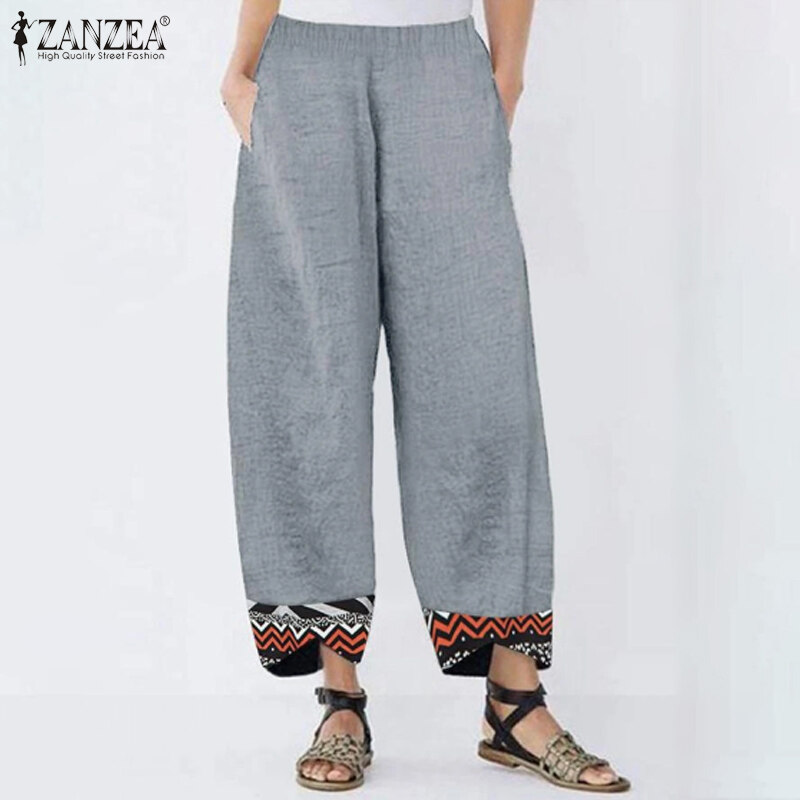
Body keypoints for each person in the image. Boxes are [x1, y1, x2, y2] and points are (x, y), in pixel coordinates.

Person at [221, 0, 629, 792]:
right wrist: (242, 69)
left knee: (483, 379)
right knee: (311, 381)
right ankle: (339, 699)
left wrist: (506, 76)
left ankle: (513, 703)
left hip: (444, 59)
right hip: (301, 61)